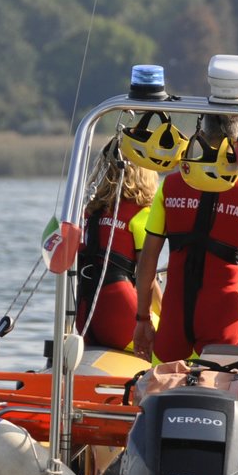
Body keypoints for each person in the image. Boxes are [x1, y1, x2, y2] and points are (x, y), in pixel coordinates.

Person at [132, 115, 238, 363]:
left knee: (161, 390)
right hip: (223, 317)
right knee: (220, 392)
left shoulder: (171, 186)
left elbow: (147, 262)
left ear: (202, 136)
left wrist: (143, 318)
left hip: (174, 318)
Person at [74, 139, 158, 351]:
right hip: (122, 317)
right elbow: (146, 279)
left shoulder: (89, 212)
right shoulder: (142, 214)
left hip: (85, 320)